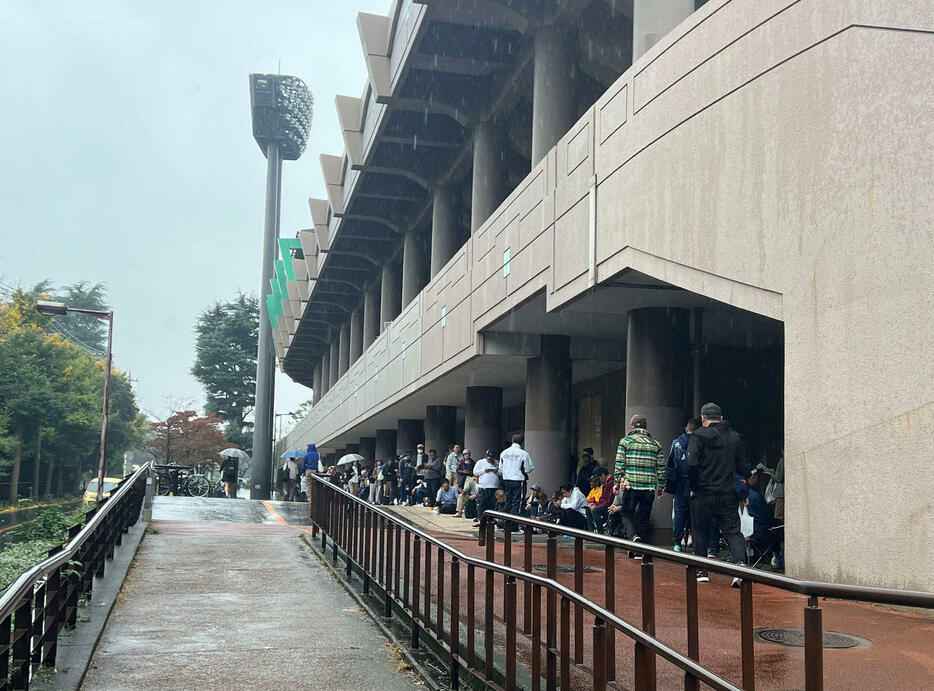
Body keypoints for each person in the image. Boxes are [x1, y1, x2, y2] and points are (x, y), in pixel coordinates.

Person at [686, 402, 751, 586]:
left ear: (703, 418)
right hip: (727, 492)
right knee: (732, 531)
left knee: (700, 531)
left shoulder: (697, 437)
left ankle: (701, 570)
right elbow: (743, 467)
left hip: (702, 492)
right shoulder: (734, 437)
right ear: (721, 418)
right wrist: (741, 488)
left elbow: (691, 463)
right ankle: (739, 565)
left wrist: (694, 485)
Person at [614, 415, 666, 557]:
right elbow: (661, 468)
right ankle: (641, 550)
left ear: (632, 427)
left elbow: (619, 464)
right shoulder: (656, 444)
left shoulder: (625, 442)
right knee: (644, 517)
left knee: (626, 513)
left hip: (631, 486)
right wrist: (661, 486)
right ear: (645, 427)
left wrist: (616, 483)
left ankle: (633, 538)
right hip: (648, 488)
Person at [667, 418, 699, 551]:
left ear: (686, 428)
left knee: (679, 513)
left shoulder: (676, 443)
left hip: (680, 483)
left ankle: (677, 543)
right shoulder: (699, 443)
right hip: (696, 483)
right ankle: (697, 542)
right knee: (696, 514)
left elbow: (670, 464)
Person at [499, 434, 534, 526]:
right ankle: (513, 525)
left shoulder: (504, 453)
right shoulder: (523, 453)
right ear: (522, 442)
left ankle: (504, 522)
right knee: (517, 502)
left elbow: (500, 468)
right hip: (518, 479)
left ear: (512, 440)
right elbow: (528, 468)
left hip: (506, 479)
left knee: (508, 501)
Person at [473, 449, 500, 525]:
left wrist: (496, 471)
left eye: (491, 458)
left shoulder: (496, 462)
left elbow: (502, 473)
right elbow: (475, 472)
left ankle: (491, 520)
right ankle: (480, 520)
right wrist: (484, 470)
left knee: (492, 504)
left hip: (494, 486)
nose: (490, 459)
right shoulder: (480, 462)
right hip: (483, 486)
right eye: (488, 458)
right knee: (481, 504)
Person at [590, 468, 615, 534]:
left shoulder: (612, 482)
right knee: (589, 510)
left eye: (599, 478)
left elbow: (609, 500)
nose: (599, 481)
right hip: (604, 505)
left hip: (610, 507)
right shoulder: (606, 484)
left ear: (603, 475)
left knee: (595, 510)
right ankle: (592, 531)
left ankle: (600, 532)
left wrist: (597, 506)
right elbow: (602, 498)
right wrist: (595, 504)